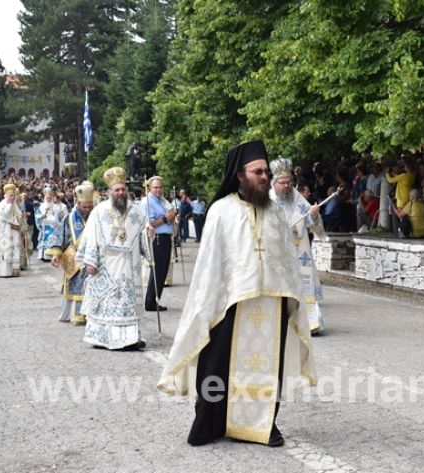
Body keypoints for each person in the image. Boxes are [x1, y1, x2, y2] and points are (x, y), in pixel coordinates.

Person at [157, 140, 316, 448]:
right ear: (240, 175)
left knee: (269, 369)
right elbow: (211, 267)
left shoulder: (276, 214)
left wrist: (291, 299)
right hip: (230, 303)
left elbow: (287, 261)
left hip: (272, 302)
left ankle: (263, 425)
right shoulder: (221, 211)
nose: (264, 177)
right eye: (258, 172)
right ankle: (211, 422)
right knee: (217, 364)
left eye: (266, 172)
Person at [75, 167, 152, 351]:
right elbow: (91, 237)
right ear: (109, 191)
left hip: (129, 264)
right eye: (116, 190)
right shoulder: (99, 211)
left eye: (122, 189)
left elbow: (142, 234)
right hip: (106, 265)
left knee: (127, 302)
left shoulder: (137, 212)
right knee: (107, 302)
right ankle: (102, 338)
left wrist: (148, 234)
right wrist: (90, 262)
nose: (120, 193)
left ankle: (130, 338)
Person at [269, 157, 326, 335]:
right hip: (276, 251)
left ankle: (310, 322)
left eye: (289, 182)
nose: (286, 186)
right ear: (274, 183)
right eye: (282, 183)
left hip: (299, 251)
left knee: (304, 284)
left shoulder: (297, 197)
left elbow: (311, 222)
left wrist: (314, 215)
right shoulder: (267, 200)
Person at [47, 182, 95, 324]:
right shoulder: (68, 219)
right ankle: (75, 314)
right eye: (84, 207)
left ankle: (90, 314)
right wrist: (56, 253)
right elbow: (59, 235)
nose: (87, 209)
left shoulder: (96, 217)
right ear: (78, 204)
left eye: (89, 206)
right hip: (73, 257)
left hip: (91, 258)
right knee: (75, 285)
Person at [138, 176, 176, 311]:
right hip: (157, 238)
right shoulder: (147, 202)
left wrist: (173, 216)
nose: (158, 190)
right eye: (155, 187)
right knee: (158, 271)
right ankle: (150, 302)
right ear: (149, 188)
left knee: (162, 271)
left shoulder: (162, 201)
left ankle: (155, 299)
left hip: (165, 237)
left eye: (160, 187)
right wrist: (166, 218)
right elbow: (148, 223)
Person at [0, 184, 24, 278]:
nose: (12, 197)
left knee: (14, 248)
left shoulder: (13, 203)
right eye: (10, 195)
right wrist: (9, 205)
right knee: (5, 249)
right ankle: (3, 271)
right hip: (4, 231)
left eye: (13, 195)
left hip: (13, 230)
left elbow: (18, 213)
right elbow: (4, 215)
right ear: (5, 195)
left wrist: (21, 217)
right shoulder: (1, 204)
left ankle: (14, 270)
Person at [35, 187, 65, 261]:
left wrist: (56, 214)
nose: (48, 199)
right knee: (44, 239)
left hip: (53, 226)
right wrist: (42, 216)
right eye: (47, 198)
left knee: (51, 239)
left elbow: (60, 216)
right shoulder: (41, 206)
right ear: (45, 197)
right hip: (45, 226)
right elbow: (37, 215)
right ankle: (43, 255)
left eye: (50, 198)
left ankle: (51, 255)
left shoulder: (56, 206)